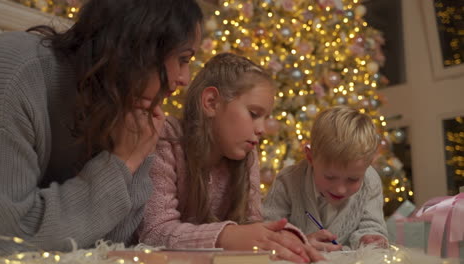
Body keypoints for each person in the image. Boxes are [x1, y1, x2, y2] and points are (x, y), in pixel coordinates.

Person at [0, 0, 202, 252]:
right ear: (139, 46)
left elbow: (113, 244)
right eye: (183, 59)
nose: (184, 79)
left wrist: (134, 158)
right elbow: (8, 237)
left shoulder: (124, 104)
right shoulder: (13, 72)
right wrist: (121, 163)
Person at [138, 53, 323, 263]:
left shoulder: (247, 154)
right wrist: (227, 236)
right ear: (211, 102)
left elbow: (252, 224)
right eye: (254, 114)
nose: (262, 129)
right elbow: (154, 233)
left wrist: (287, 237)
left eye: (266, 118)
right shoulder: (167, 138)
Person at [263, 106, 388, 251]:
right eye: (330, 177)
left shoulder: (370, 180)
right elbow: (267, 232)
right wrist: (300, 242)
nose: (340, 189)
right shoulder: (287, 181)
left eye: (353, 179)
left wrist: (370, 238)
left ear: (368, 163)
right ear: (310, 157)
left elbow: (372, 225)